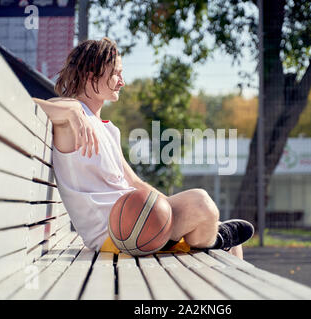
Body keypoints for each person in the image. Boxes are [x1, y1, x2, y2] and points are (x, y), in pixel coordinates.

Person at [33, 37, 254, 259]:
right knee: (201, 202)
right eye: (116, 73)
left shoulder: (109, 129)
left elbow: (136, 183)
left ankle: (215, 239)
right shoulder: (73, 112)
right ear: (92, 75)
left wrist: (167, 208)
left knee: (231, 244)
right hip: (118, 232)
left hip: (138, 220)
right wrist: (70, 112)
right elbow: (35, 104)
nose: (122, 81)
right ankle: (215, 240)